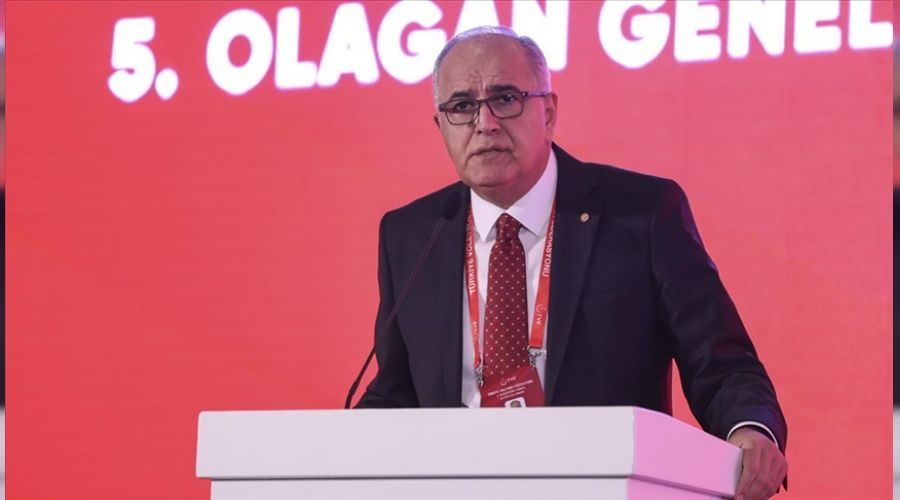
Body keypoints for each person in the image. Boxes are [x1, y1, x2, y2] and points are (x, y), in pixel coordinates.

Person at [355, 26, 787, 500]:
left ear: (549, 113)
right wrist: (334, 455)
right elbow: (395, 392)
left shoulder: (639, 213)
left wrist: (750, 428)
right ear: (441, 126)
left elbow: (720, 362)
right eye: (461, 106)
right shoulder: (412, 234)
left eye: (505, 98)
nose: (485, 123)